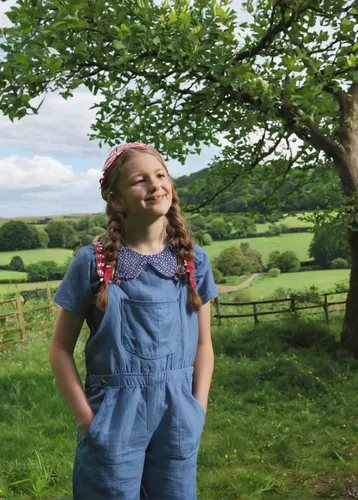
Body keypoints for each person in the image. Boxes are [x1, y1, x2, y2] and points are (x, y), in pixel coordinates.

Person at [49, 142, 218, 500]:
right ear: (115, 199)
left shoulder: (193, 261)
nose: (155, 186)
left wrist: (197, 409)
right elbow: (60, 349)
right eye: (140, 180)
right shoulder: (92, 264)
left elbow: (204, 344)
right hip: (112, 417)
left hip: (178, 416)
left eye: (160, 176)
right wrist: (88, 421)